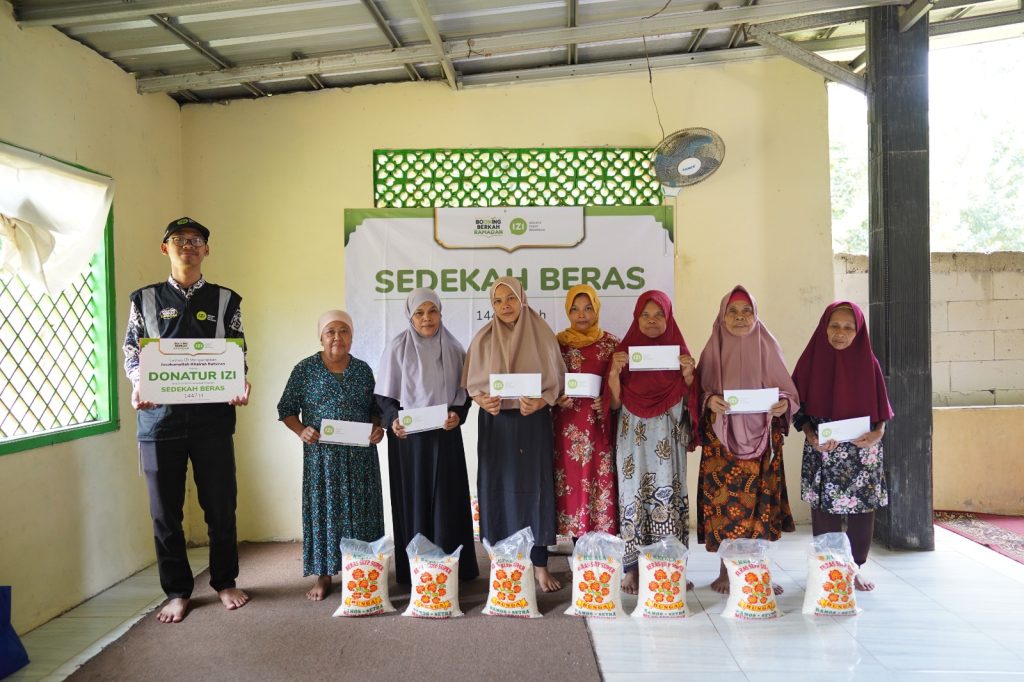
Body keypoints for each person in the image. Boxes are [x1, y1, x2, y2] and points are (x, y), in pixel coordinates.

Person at [122, 216, 251, 624]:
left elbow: (237, 351)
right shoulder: (144, 299)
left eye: (196, 240)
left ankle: (225, 581)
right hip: (158, 422)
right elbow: (131, 352)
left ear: (206, 250)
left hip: (213, 420)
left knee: (221, 506)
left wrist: (240, 381)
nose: (188, 246)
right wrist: (138, 383)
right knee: (165, 513)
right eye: (179, 239)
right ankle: (177, 591)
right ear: (166, 248)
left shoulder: (225, 300)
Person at [462, 276, 566, 592]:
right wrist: (481, 399)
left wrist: (542, 401)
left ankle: (539, 566)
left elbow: (556, 382)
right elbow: (472, 386)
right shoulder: (483, 338)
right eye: (497, 301)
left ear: (522, 298)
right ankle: (503, 564)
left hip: (532, 423)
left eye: (510, 298)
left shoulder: (542, 334)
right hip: (496, 426)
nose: (505, 306)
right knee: (497, 488)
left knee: (535, 489)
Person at [696, 285, 799, 594]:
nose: (740, 317)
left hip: (763, 438)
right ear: (722, 316)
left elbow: (788, 391)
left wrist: (783, 404)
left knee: (760, 504)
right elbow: (697, 392)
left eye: (746, 311)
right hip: (722, 439)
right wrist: (709, 401)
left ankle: (758, 568)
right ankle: (725, 570)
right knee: (724, 503)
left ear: (756, 315)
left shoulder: (768, 345)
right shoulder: (712, 348)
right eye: (732, 311)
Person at [277, 310, 385, 601]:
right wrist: (301, 430)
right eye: (330, 332)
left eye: (344, 331)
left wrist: (377, 429)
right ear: (321, 337)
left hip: (360, 458)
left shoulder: (362, 370)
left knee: (361, 511)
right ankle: (324, 575)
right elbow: (286, 409)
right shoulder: (305, 369)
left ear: (352, 336)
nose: (337, 337)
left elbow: (375, 410)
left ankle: (364, 569)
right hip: (322, 459)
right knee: (324, 511)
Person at [375, 288, 479, 585]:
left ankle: (452, 570)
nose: (427, 318)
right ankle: (416, 573)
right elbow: (384, 397)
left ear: (440, 313)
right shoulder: (397, 347)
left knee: (448, 501)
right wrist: (393, 420)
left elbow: (464, 395)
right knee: (414, 500)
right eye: (419, 313)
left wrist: (457, 414)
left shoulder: (454, 348)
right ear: (410, 316)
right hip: (408, 441)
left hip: (444, 437)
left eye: (432, 311)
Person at [792, 301, 893, 591]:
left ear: (858, 331)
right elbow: (798, 409)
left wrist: (878, 434)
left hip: (861, 450)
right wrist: (811, 435)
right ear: (824, 327)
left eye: (849, 328)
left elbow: (882, 414)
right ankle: (829, 569)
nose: (840, 332)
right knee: (824, 510)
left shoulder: (869, 363)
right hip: (824, 449)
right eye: (835, 326)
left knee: (861, 511)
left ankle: (855, 568)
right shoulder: (810, 361)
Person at [606, 290, 700, 594]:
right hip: (632, 440)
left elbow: (691, 402)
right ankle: (631, 570)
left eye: (659, 314)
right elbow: (614, 404)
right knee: (632, 496)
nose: (651, 320)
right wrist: (614, 373)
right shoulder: (623, 354)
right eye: (645, 315)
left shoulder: (679, 354)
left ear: (668, 318)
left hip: (667, 439)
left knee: (668, 495)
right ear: (636, 318)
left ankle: (673, 567)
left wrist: (689, 377)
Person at [552, 285, 620, 542]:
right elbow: (549, 380)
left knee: (598, 478)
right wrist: (557, 397)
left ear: (597, 309)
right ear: (567, 311)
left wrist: (606, 399)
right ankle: (576, 545)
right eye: (575, 309)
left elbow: (620, 384)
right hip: (566, 425)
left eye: (588, 308)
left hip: (597, 425)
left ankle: (600, 548)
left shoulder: (612, 344)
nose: (581, 314)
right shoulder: (556, 344)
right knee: (570, 481)